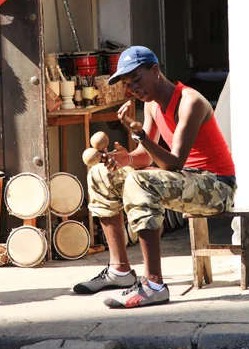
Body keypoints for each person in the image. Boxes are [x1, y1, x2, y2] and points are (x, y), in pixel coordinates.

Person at [73, 46, 236, 308]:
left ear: (156, 70)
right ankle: (120, 271)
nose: (134, 89)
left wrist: (140, 136)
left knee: (140, 182)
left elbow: (173, 162)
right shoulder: (150, 106)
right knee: (101, 174)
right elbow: (146, 156)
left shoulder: (190, 101)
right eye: (128, 85)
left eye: (136, 79)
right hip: (185, 180)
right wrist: (123, 159)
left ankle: (154, 284)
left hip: (216, 186)